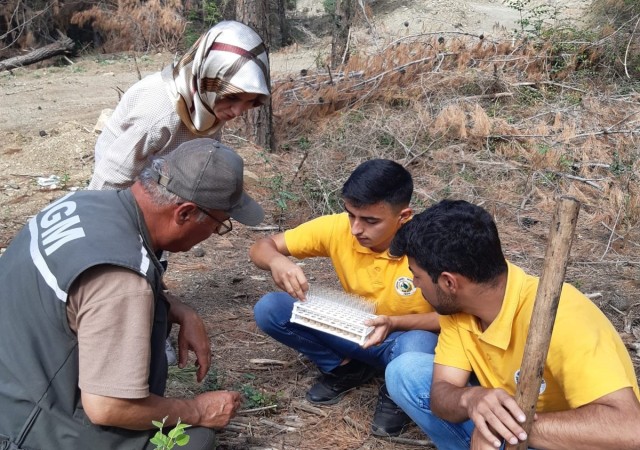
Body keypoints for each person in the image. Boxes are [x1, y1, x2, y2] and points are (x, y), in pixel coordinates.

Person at [0, 139, 265, 450]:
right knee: (194, 440)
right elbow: (108, 407)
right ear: (185, 213)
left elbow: (86, 299)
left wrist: (178, 308)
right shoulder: (122, 281)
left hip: (16, 384)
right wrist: (198, 410)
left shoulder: (86, 204)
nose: (212, 234)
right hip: (24, 431)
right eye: (219, 225)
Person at [386, 199, 640, 450]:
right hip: (515, 429)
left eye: (417, 276)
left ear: (449, 283)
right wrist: (470, 399)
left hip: (568, 438)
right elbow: (442, 393)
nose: (415, 284)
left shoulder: (562, 314)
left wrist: (508, 428)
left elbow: (629, 429)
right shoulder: (458, 310)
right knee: (405, 372)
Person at [250, 159, 440, 437]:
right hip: (355, 327)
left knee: (419, 344)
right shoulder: (338, 228)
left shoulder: (429, 243)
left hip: (406, 337)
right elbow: (260, 247)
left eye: (370, 221)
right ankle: (346, 369)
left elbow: (455, 318)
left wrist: (396, 322)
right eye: (351, 215)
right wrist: (278, 262)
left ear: (404, 215)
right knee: (271, 309)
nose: (356, 229)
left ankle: (396, 390)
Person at [89, 20, 271, 190]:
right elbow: (109, 180)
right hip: (126, 191)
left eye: (250, 101)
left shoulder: (204, 101)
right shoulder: (160, 111)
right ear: (208, 74)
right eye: (232, 98)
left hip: (163, 186)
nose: (238, 111)